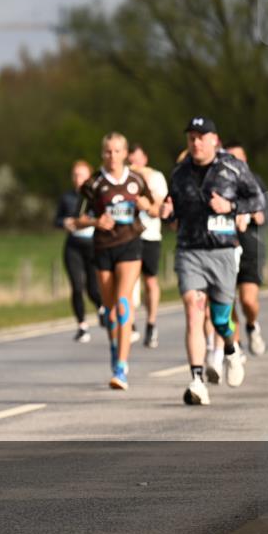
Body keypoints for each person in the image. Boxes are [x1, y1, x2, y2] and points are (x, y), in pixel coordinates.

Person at [161, 117, 266, 405]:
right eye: (191, 137)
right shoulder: (180, 173)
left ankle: (231, 351)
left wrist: (230, 207)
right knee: (194, 310)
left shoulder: (232, 168)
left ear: (214, 140)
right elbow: (174, 213)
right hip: (190, 250)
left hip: (222, 252)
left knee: (221, 320)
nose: (195, 142)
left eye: (201, 137)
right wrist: (167, 212)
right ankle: (197, 380)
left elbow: (258, 201)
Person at [75, 132, 154, 391]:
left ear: (125, 153)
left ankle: (121, 367)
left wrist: (149, 206)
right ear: (102, 154)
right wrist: (96, 221)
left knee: (123, 304)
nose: (113, 156)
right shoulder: (94, 184)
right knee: (110, 311)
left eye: (117, 151)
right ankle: (114, 347)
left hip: (131, 244)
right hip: (103, 247)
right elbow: (77, 219)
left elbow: (154, 208)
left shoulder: (136, 180)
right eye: (108, 151)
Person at [224, 142, 268, 356]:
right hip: (225, 248)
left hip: (250, 248)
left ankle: (252, 325)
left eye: (238, 158)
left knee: (248, 301)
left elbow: (262, 215)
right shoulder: (218, 182)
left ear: (245, 160)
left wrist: (246, 215)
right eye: (229, 158)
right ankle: (237, 345)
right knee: (228, 300)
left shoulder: (255, 182)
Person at [55, 159, 105, 343]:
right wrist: (64, 223)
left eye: (81, 175)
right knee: (77, 286)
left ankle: (102, 308)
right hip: (73, 245)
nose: (78, 179)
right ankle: (82, 326)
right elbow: (57, 220)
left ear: (89, 176)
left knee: (93, 288)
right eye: (75, 175)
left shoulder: (96, 196)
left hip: (92, 244)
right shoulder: (67, 197)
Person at [128, 143, 168, 348]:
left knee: (150, 281)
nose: (133, 163)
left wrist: (145, 202)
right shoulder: (124, 177)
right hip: (128, 235)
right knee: (129, 280)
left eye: (136, 159)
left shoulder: (156, 177)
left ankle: (151, 324)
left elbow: (159, 209)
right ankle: (131, 325)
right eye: (130, 159)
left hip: (150, 235)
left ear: (145, 159)